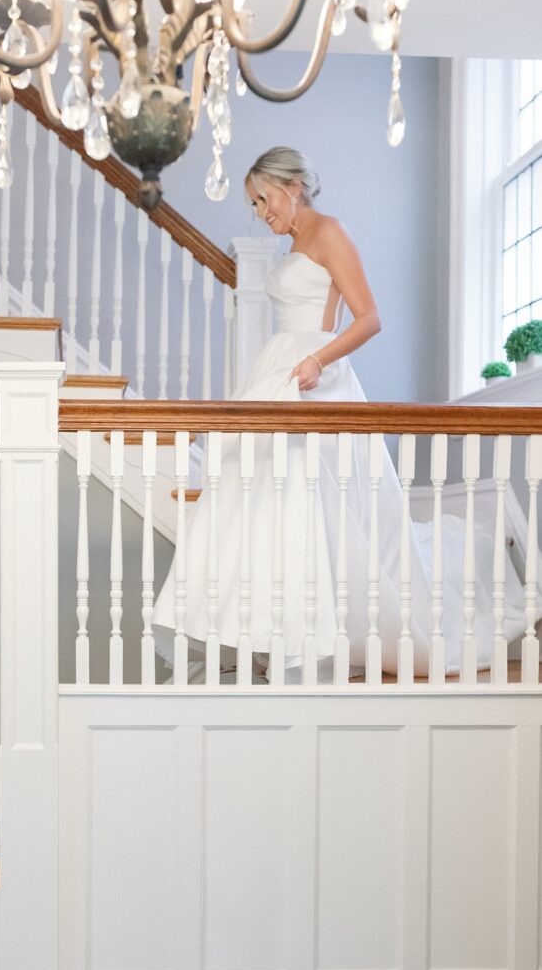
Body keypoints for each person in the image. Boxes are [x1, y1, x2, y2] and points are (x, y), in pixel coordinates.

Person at [152, 146, 534, 683]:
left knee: (310, 501)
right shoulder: (293, 244)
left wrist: (319, 359)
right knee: (258, 498)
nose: (261, 211)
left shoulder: (331, 232)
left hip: (314, 374)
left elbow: (369, 317)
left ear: (293, 187)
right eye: (253, 204)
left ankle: (313, 638)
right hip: (279, 369)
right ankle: (268, 631)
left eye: (264, 198)